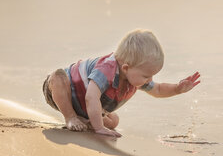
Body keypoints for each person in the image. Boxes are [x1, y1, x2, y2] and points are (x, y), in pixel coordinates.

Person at [42, 29, 200, 137]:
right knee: (57, 76)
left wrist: (178, 89)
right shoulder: (107, 69)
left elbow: (158, 90)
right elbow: (91, 97)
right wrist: (99, 128)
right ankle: (70, 117)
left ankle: (83, 119)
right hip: (63, 93)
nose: (149, 80)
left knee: (114, 121)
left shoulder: (134, 76)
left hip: (83, 106)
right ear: (126, 67)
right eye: (147, 76)